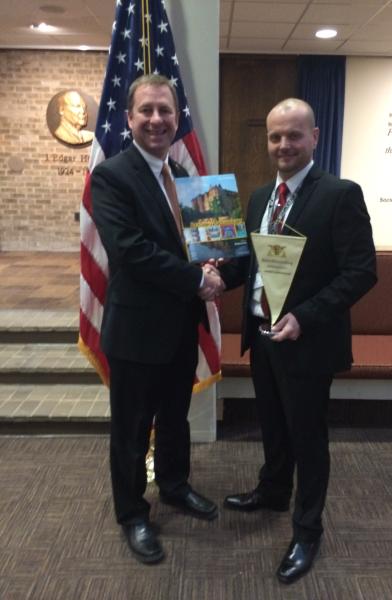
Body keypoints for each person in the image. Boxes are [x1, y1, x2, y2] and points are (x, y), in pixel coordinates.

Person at [220, 98, 377, 584]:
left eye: (293, 135)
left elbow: (361, 271)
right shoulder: (259, 197)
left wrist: (304, 317)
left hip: (307, 342)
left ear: (314, 137)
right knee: (272, 424)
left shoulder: (340, 194)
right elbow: (251, 265)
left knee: (307, 438)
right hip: (262, 335)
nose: (283, 144)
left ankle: (307, 530)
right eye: (275, 137)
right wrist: (216, 275)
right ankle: (272, 491)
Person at [91, 74, 224, 564]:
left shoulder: (184, 176)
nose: (156, 119)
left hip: (179, 327)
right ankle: (132, 513)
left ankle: (174, 485)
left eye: (165, 110)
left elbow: (196, 246)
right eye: (146, 110)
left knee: (174, 419)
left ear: (176, 117)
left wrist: (214, 263)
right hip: (136, 332)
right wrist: (196, 280)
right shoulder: (111, 176)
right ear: (129, 119)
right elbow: (130, 251)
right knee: (131, 430)